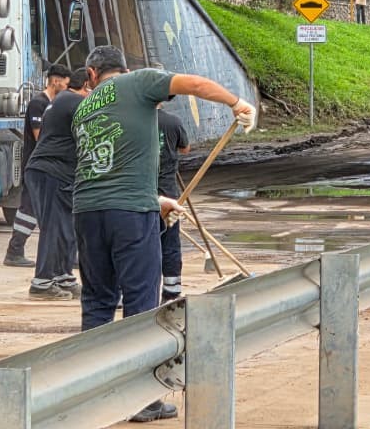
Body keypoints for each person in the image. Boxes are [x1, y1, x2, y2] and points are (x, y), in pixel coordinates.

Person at [72, 46, 255, 423]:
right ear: (121, 69)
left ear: (91, 74)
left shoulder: (85, 107)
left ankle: (89, 394)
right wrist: (237, 103)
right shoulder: (137, 81)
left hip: (88, 211)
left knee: (98, 302)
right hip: (129, 214)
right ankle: (143, 400)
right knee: (141, 303)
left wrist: (156, 201)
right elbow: (195, 83)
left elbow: (106, 169)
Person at [24, 68, 90, 300]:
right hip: (50, 171)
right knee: (54, 227)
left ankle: (63, 276)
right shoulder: (73, 101)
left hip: (53, 171)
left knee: (66, 227)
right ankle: (41, 283)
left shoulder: (63, 100)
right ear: (86, 87)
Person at [4, 64, 71, 267]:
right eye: (66, 84)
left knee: (34, 209)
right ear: (56, 81)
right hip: (36, 165)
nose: (67, 89)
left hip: (45, 165)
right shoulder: (38, 104)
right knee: (29, 209)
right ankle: (14, 251)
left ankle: (21, 250)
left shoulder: (51, 104)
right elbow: (40, 136)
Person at [156, 105, 190, 303]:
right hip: (168, 191)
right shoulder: (173, 122)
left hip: (140, 192)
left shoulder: (134, 120)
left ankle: (130, 293)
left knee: (138, 242)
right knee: (169, 242)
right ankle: (171, 290)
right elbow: (185, 148)